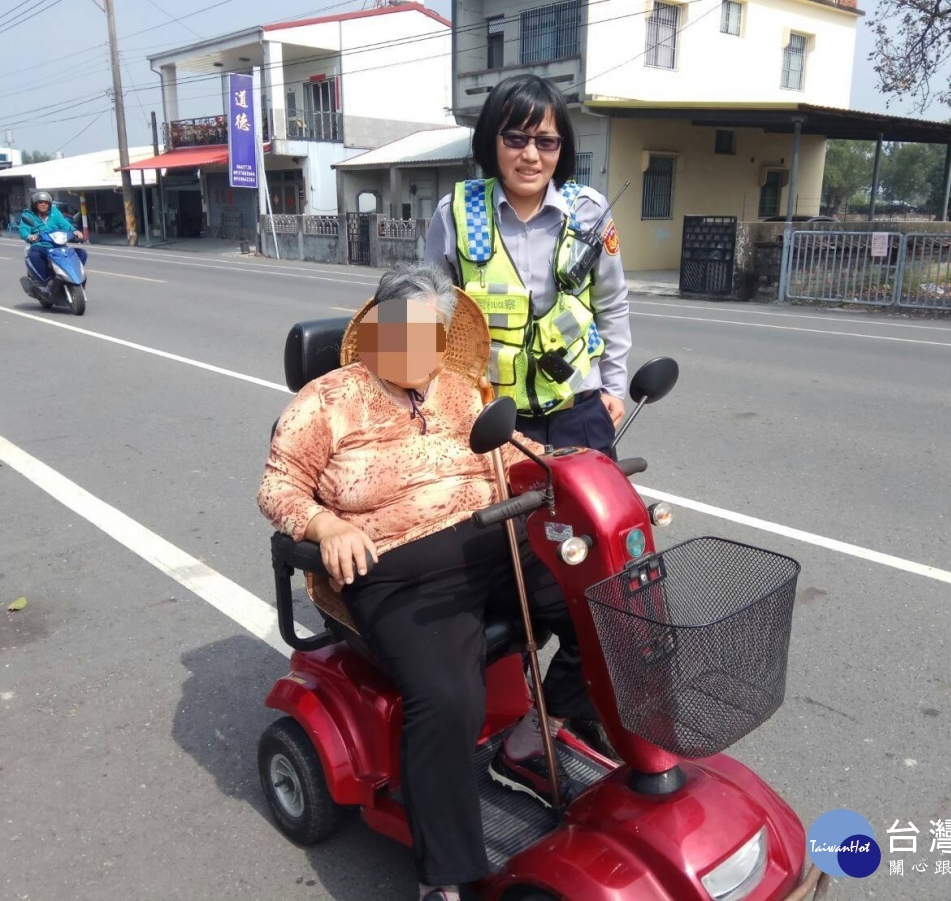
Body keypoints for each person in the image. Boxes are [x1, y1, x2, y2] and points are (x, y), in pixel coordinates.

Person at [257, 263, 602, 901]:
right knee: (447, 699)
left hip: (495, 543)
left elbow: (512, 449)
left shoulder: (459, 390)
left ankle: (529, 743)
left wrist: (573, 472)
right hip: (394, 574)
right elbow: (278, 487)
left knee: (602, 605)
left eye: (431, 334)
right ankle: (443, 877)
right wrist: (326, 527)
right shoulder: (327, 400)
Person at [425, 74, 631, 458]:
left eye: (546, 141)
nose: (531, 155)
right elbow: (430, 317)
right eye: (516, 138)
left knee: (596, 514)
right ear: (492, 140)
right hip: (491, 416)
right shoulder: (455, 214)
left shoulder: (589, 212)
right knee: (499, 519)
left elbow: (613, 304)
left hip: (581, 408)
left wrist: (614, 388)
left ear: (561, 147)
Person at [17, 190, 85, 289]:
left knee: (81, 253)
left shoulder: (55, 212)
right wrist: (29, 236)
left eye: (46, 203)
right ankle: (48, 280)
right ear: (35, 204)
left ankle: (74, 275)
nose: (43, 204)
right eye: (40, 202)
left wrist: (75, 231)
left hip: (57, 245)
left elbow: (64, 224)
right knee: (34, 254)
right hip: (40, 245)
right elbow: (23, 229)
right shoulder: (29, 215)